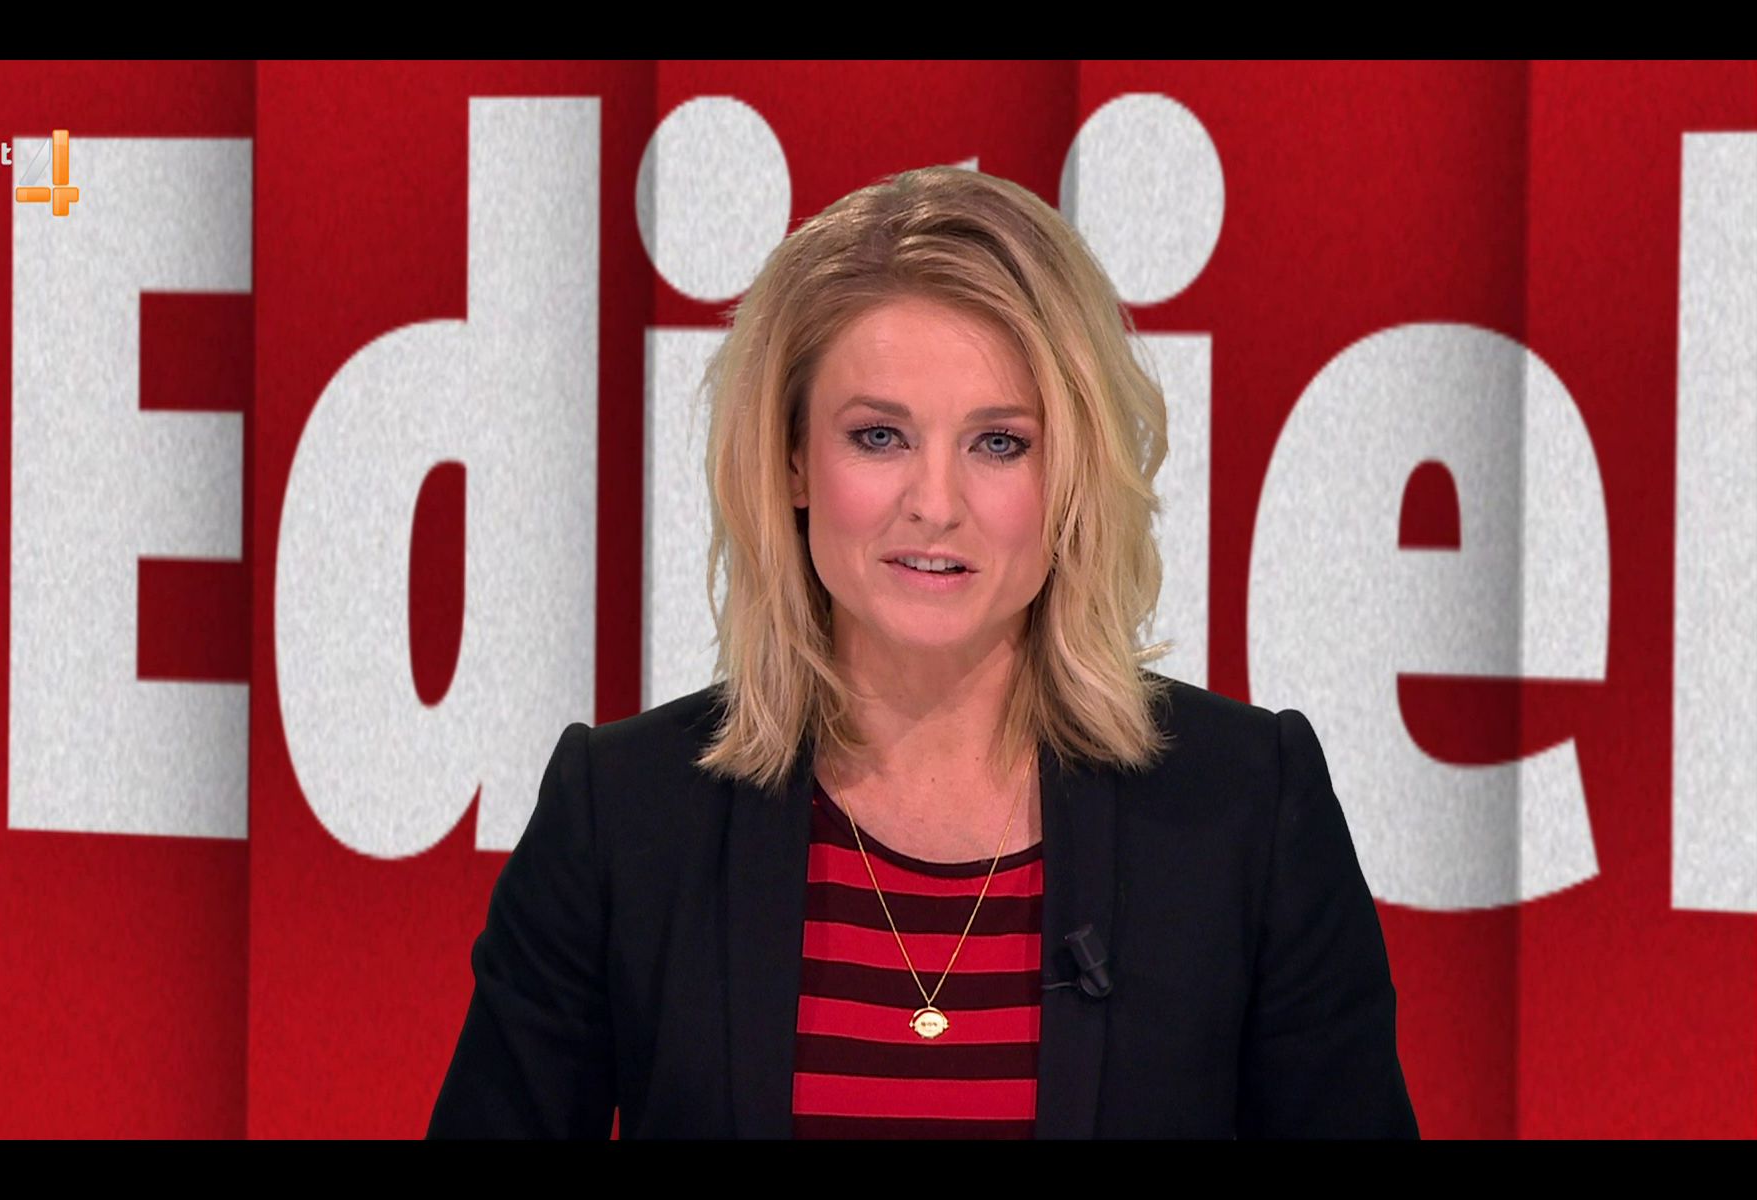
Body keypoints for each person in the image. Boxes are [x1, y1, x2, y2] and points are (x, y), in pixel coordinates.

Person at [426, 165, 1418, 1139]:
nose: (936, 503)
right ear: (793, 459)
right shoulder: (622, 817)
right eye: (879, 437)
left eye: (999, 443)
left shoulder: (1248, 808)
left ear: (1071, 472)